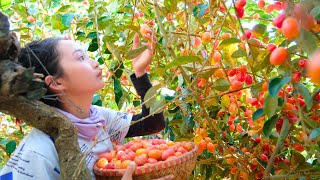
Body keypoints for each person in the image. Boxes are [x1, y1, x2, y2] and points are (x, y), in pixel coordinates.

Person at [0, 29, 171, 180]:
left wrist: (140, 73)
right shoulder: (38, 153)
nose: (95, 62)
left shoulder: (96, 117)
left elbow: (152, 123)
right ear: (57, 83)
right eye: (81, 57)